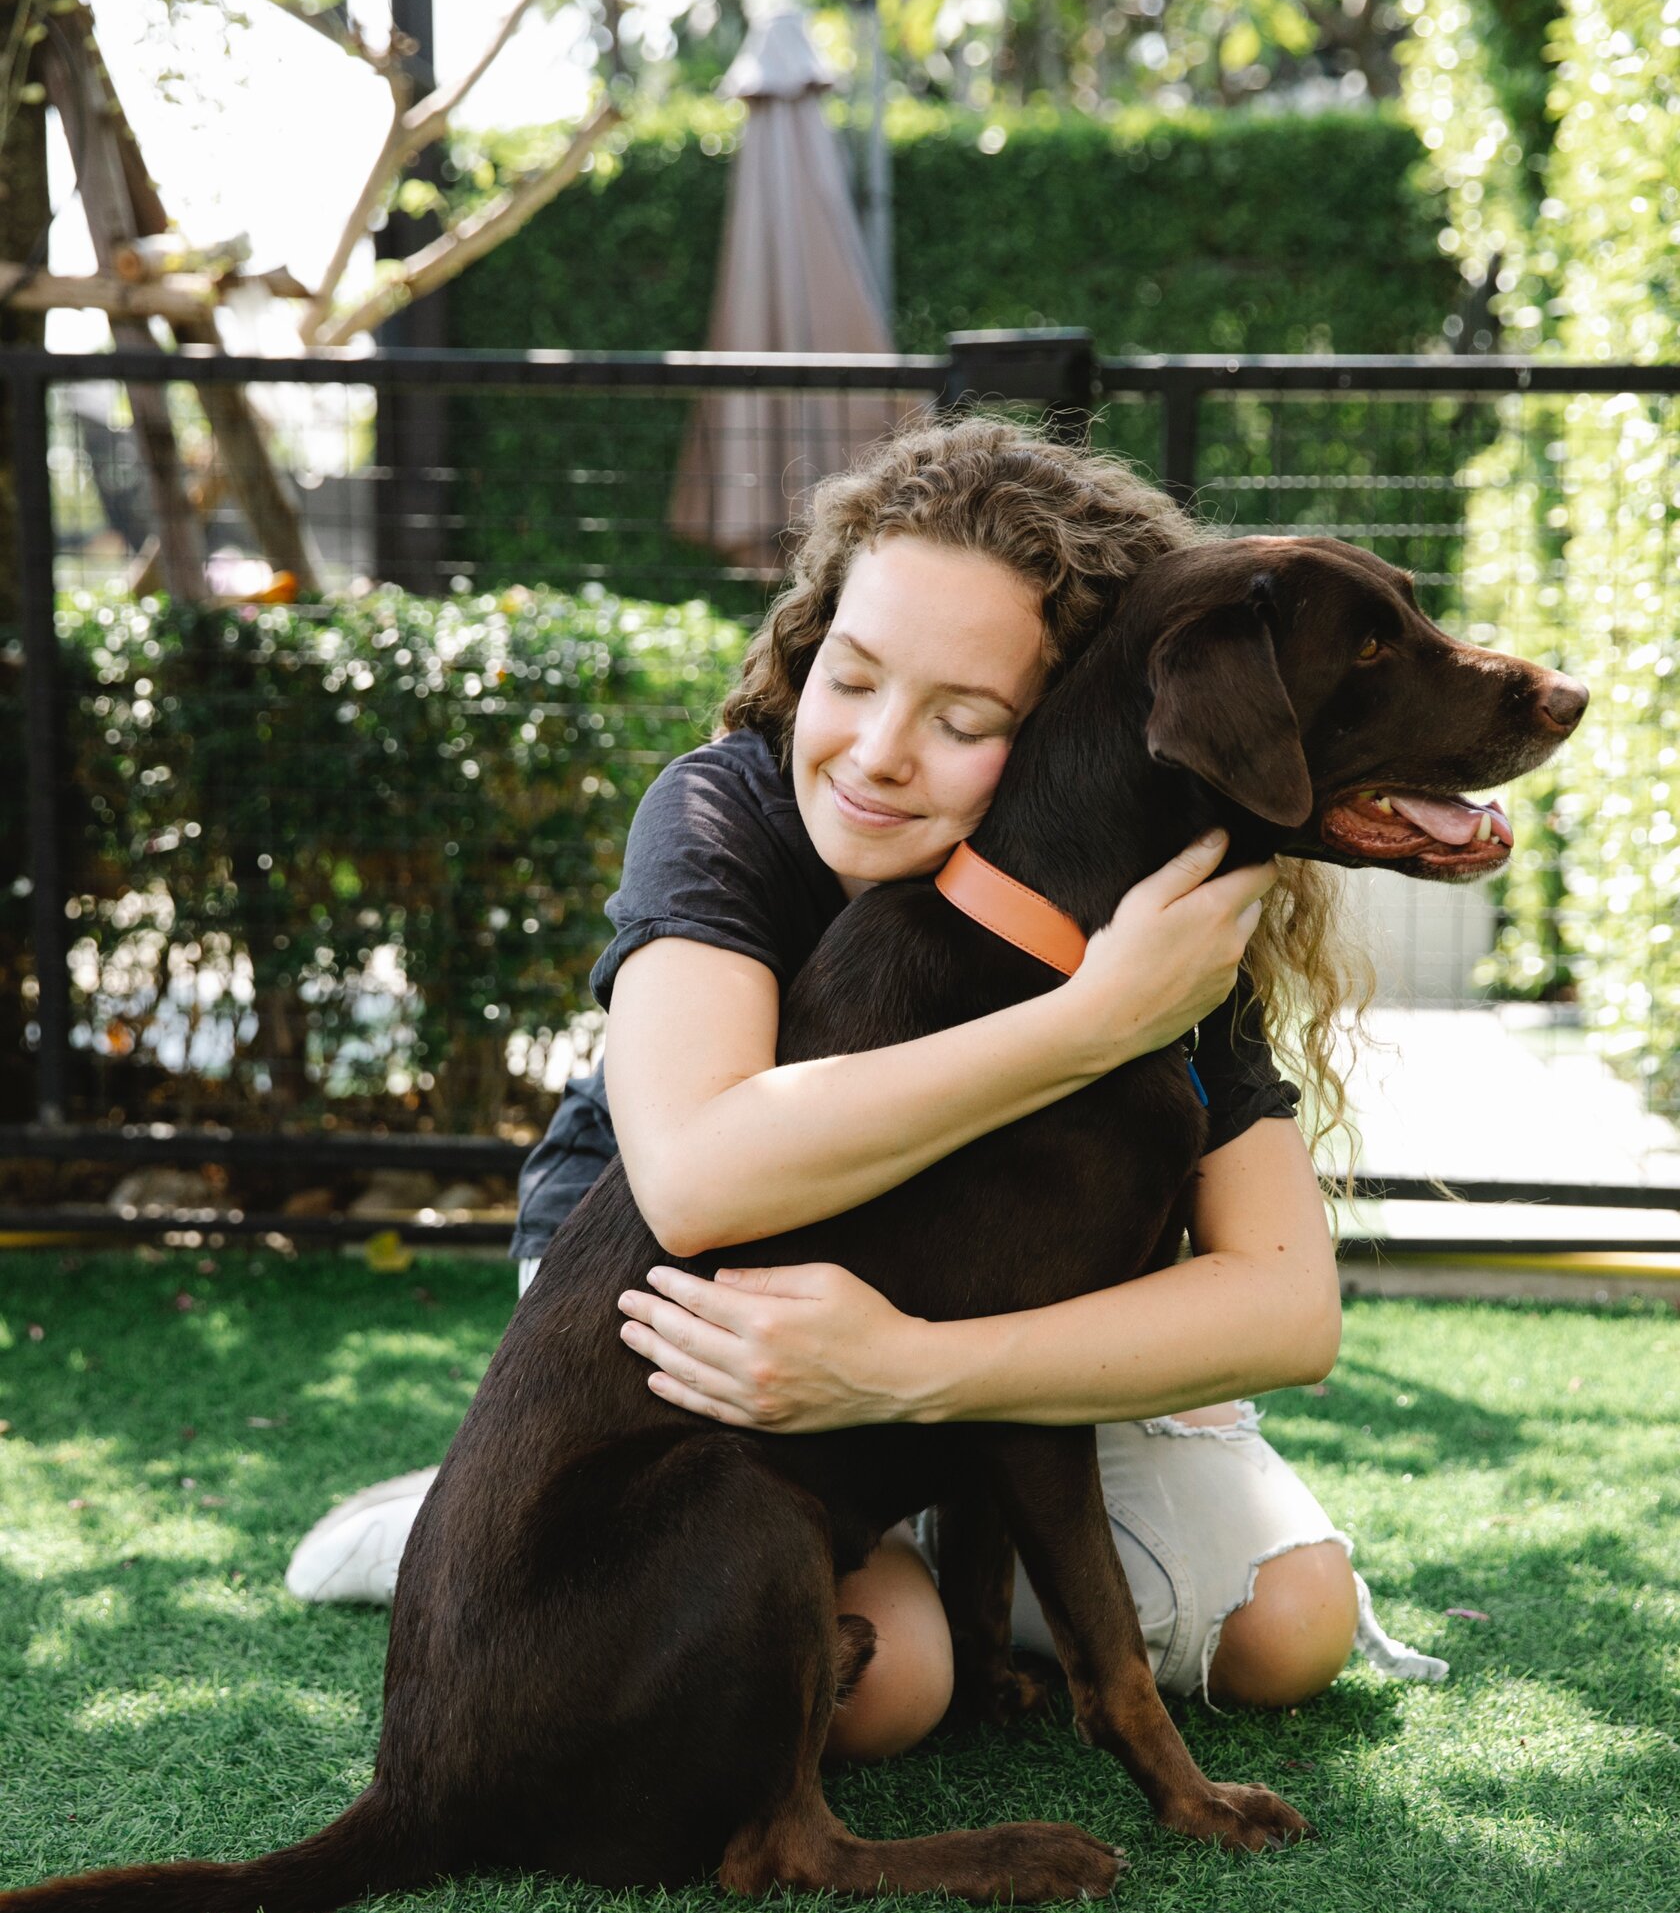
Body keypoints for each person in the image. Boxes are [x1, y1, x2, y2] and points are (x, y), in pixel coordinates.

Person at [287, 419, 1444, 1755]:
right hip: (686, 1336)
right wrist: (1093, 1022)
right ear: (809, 643)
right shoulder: (728, 814)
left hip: (955, 1330)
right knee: (889, 1683)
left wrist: (914, 1373)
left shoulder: (1147, 889)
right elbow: (701, 1181)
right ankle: (494, 1525)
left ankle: (953, 1504)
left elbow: (1286, 1309)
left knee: (1289, 1627)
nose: (879, 753)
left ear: (1088, 732)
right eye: (852, 678)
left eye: (965, 721)